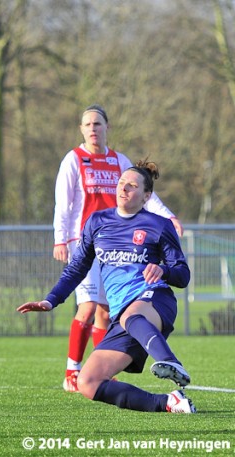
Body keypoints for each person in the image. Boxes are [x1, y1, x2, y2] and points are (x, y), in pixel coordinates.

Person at [18, 160, 195, 414]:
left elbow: (183, 275)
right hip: (123, 316)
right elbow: (77, 267)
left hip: (155, 301)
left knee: (133, 314)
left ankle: (170, 361)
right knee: (87, 383)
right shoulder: (97, 222)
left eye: (132, 186)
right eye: (121, 183)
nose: (124, 189)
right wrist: (51, 300)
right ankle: (169, 403)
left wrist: (163, 270)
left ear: (146, 196)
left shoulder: (159, 225)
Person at [54, 104, 184, 392]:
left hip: (121, 247)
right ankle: (72, 371)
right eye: (87, 124)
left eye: (97, 124)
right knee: (87, 308)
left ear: (106, 127)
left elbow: (146, 193)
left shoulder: (119, 160)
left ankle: (107, 371)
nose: (92, 129)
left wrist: (169, 216)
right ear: (81, 129)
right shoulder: (74, 159)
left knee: (105, 312)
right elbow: (62, 203)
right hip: (85, 242)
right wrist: (60, 238)